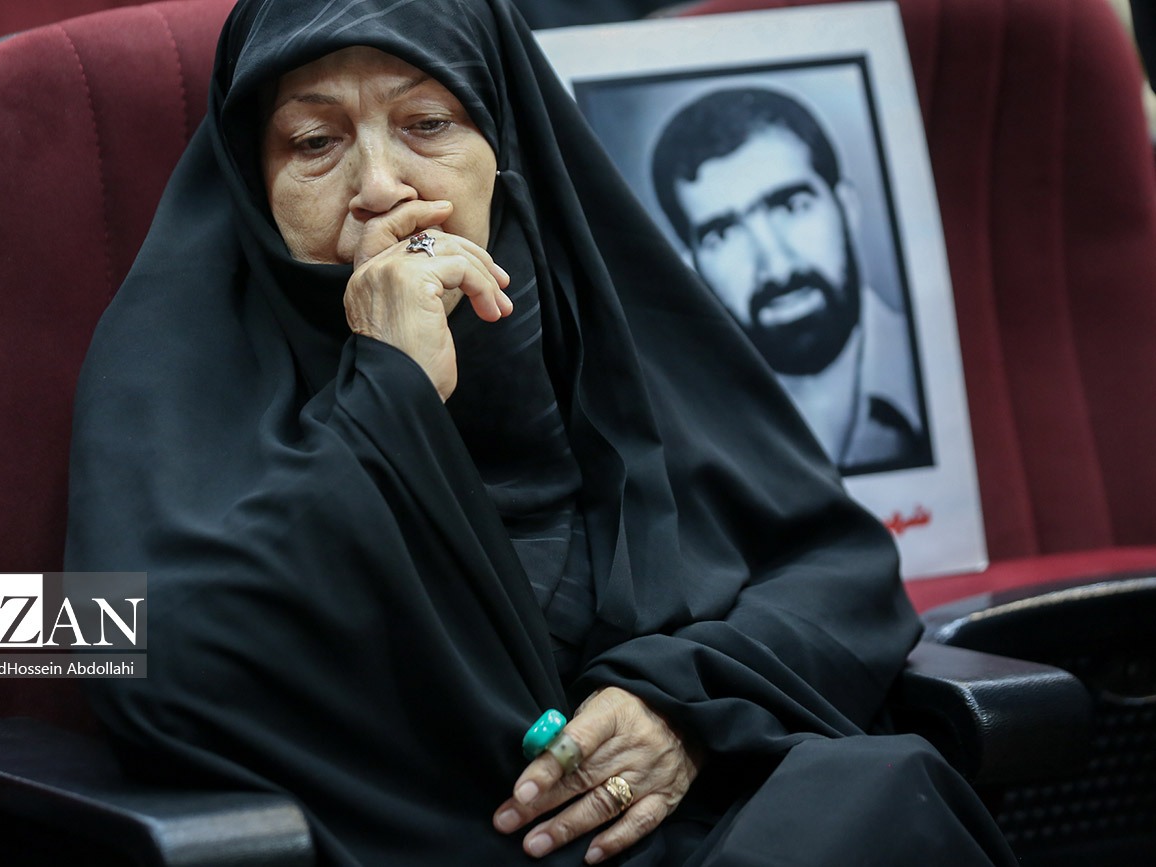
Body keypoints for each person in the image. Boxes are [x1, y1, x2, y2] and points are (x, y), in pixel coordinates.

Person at [64, 0, 1014, 863]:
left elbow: (843, 568)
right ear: (253, 178)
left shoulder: (604, 329)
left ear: (504, 142)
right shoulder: (164, 358)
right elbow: (38, 638)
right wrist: (390, 392)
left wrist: (679, 703)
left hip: (701, 824)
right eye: (314, 141)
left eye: (429, 123)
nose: (380, 187)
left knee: (877, 796)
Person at [651, 87, 929, 474]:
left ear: (847, 208)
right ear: (692, 267)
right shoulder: (672, 430)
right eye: (724, 234)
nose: (776, 267)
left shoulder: (952, 370)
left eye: (792, 207)